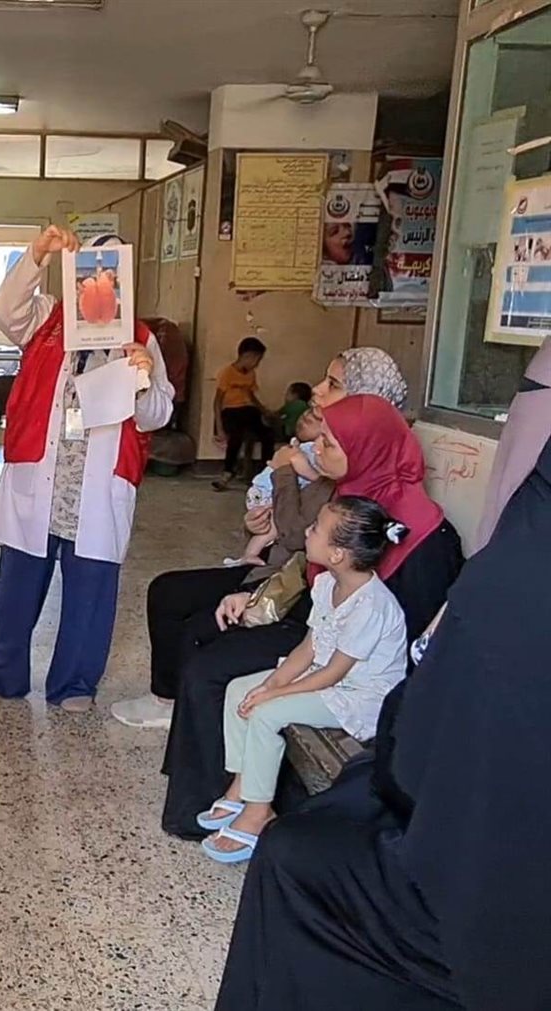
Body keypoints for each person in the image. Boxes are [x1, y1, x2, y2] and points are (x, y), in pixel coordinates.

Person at [216, 340, 551, 1011]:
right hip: (457, 800)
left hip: (481, 897)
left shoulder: (488, 554)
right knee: (221, 663)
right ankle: (240, 786)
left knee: (297, 849)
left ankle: (253, 804)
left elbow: (419, 738)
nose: (321, 403)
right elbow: (303, 576)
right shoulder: (358, 505)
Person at [159, 394, 460, 839]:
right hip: (319, 626)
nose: (317, 447)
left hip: (355, 662)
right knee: (203, 635)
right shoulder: (351, 494)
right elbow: (308, 570)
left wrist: (284, 681)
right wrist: (259, 595)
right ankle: (229, 791)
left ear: (365, 449)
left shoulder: (421, 534)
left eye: (330, 443)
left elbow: (407, 641)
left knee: (211, 670)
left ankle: (228, 803)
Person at [111, 345, 412, 733]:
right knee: (168, 591)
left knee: (201, 629)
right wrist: (256, 532)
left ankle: (186, 708)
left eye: (333, 384)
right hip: (281, 570)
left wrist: (285, 475)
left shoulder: (354, 469)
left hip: (294, 589)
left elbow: (300, 534)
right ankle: (167, 699)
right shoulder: (323, 452)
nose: (318, 390)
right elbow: (286, 524)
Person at [0, 225, 174, 711]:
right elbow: (6, 311)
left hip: (97, 489)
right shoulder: (48, 318)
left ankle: (75, 683)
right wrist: (37, 253)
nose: (100, 283)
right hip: (43, 479)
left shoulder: (140, 338)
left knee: (91, 591)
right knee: (18, 584)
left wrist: (143, 380)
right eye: (90, 273)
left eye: (112, 275)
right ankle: (0, 671)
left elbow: (158, 414)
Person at [201, 496, 409, 863]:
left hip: (359, 695)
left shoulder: (372, 606)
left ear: (338, 554)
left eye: (315, 529)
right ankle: (242, 782)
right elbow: (309, 648)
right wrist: (270, 685)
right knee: (240, 690)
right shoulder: (326, 583)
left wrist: (274, 697)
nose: (308, 532)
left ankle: (258, 811)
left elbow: (335, 672)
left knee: (267, 713)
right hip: (325, 678)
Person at [229, 408, 321, 566]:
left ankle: (249, 554)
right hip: (269, 492)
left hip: (261, 490)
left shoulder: (298, 447)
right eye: (310, 410)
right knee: (272, 528)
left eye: (318, 417)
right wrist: (317, 478)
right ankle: (250, 555)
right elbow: (301, 469)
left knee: (270, 529)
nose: (307, 415)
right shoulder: (307, 450)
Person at [212, 336, 273, 491]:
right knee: (236, 436)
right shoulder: (227, 373)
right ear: (247, 356)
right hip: (231, 411)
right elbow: (217, 401)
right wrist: (219, 427)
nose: (257, 364)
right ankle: (227, 473)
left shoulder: (251, 374)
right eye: (256, 359)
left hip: (248, 410)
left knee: (268, 434)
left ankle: (266, 472)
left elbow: (251, 395)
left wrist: (263, 410)